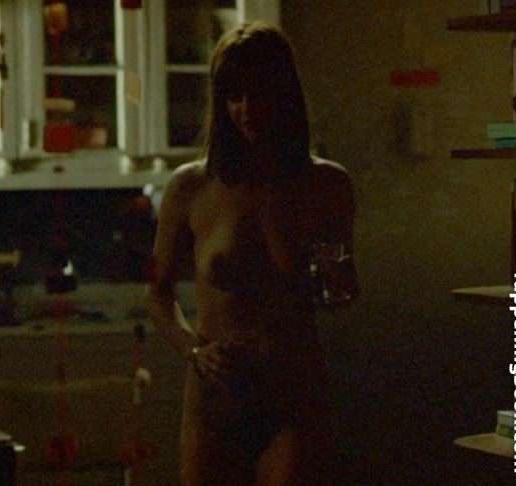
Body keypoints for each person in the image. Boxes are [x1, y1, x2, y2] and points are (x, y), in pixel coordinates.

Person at [147, 21, 357, 485]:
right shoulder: (191, 188)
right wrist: (194, 349)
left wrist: (332, 278)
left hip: (292, 387)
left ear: (285, 95)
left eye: (259, 94)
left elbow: (340, 290)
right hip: (217, 391)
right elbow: (158, 294)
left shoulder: (326, 185)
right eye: (234, 96)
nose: (247, 109)